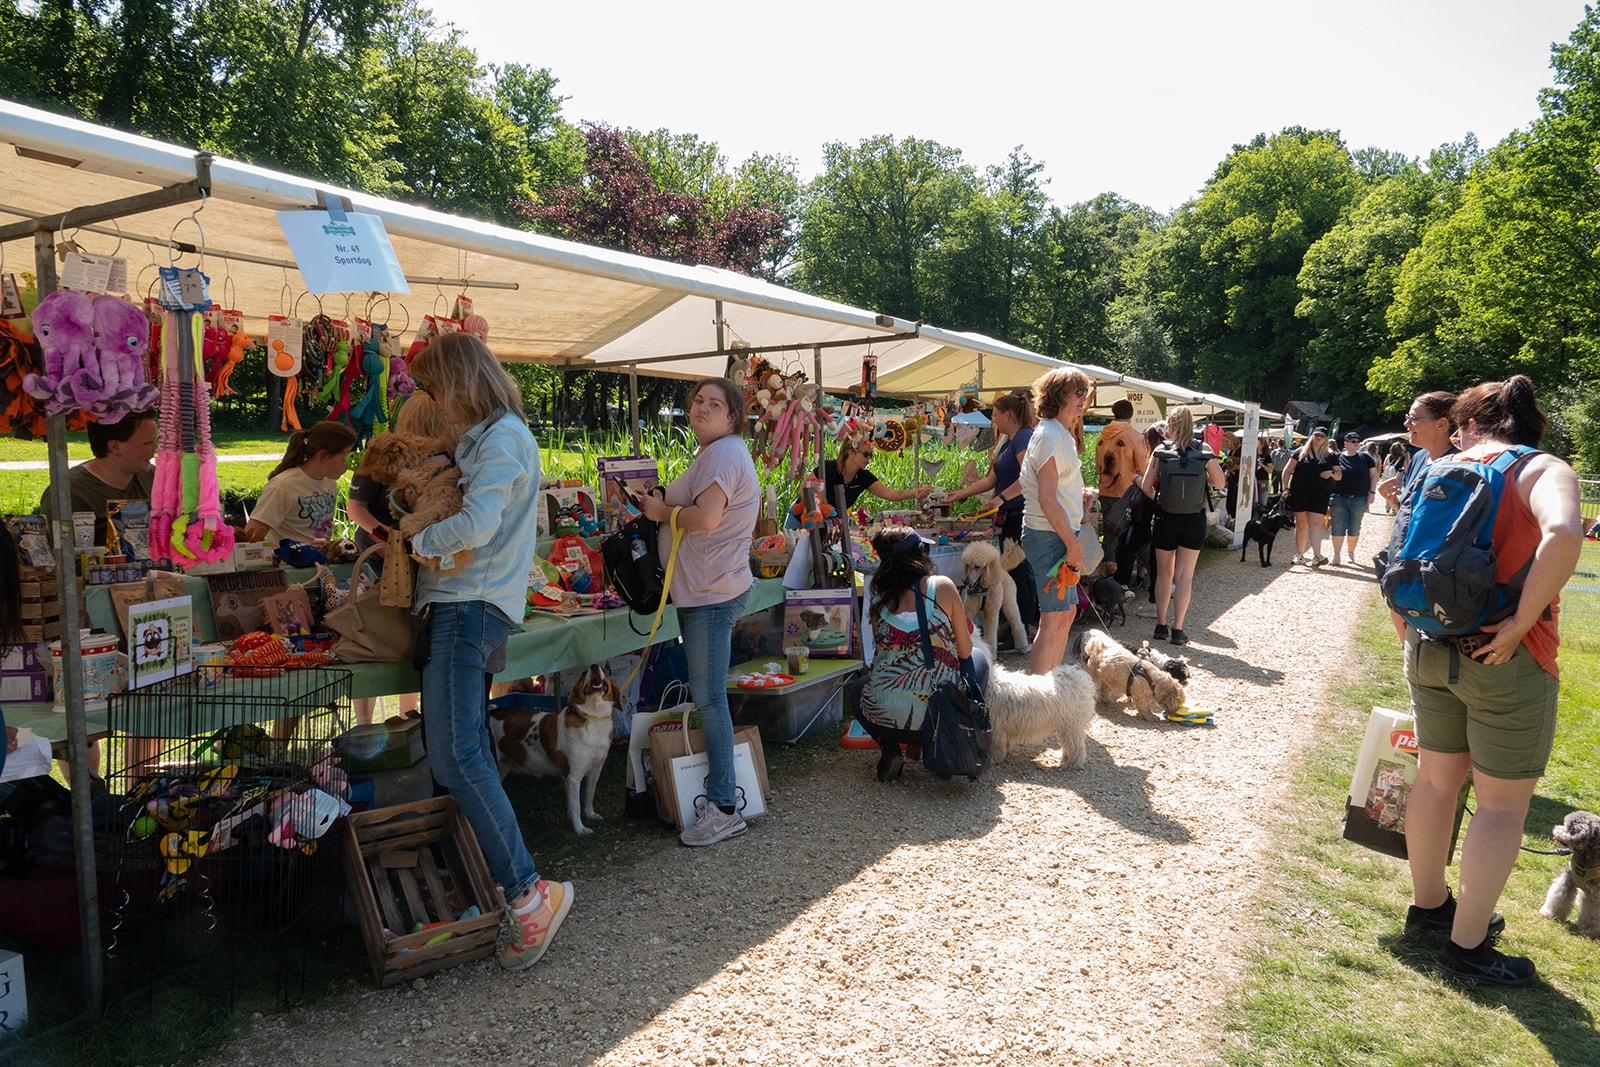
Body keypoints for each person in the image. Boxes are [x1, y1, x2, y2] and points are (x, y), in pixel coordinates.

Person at [1398, 375, 1582, 987]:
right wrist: (1520, 623)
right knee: (1503, 807)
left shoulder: (1441, 464)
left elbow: (1398, 552)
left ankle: (1429, 909)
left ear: (1470, 421)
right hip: (1506, 655)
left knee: (1434, 780)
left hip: (1430, 645)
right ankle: (1467, 946)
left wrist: (1410, 629)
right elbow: (1563, 533)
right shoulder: (1541, 469)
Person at [408, 333, 571, 971]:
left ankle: (528, 895)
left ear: (459, 382)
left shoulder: (501, 438)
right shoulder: (491, 437)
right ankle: (518, 889)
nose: (430, 400)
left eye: (433, 387)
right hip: (464, 607)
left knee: (458, 755)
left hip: (465, 606)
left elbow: (476, 525)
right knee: (464, 751)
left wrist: (417, 541)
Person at [640, 377, 760, 847]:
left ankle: (724, 807)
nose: (702, 409)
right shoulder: (716, 454)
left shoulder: (725, 454)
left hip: (712, 594)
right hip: (704, 592)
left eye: (715, 404)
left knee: (709, 700)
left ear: (733, 418)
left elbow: (706, 518)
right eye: (697, 401)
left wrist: (660, 514)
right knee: (709, 697)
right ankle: (723, 801)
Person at [344, 393, 459, 726]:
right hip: (381, 555)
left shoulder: (445, 458)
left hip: (420, 556)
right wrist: (386, 535)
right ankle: (364, 723)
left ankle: (409, 715)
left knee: (412, 638)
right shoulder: (387, 451)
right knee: (378, 633)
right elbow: (356, 507)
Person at [854, 524, 988, 781]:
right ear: (917, 555)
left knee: (858, 689)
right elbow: (964, 650)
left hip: (886, 716)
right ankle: (948, 740)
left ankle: (889, 746)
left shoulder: (877, 602)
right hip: (938, 715)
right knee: (978, 659)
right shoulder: (944, 587)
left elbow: (884, 652)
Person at [943, 392, 1038, 641]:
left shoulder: (1024, 438)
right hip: (1008, 514)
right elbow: (990, 480)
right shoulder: (1009, 441)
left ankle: (1025, 626)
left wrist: (1001, 499)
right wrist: (960, 494)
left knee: (1017, 571)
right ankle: (1021, 626)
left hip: (1019, 514)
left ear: (1007, 415)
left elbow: (1027, 477)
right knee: (1015, 570)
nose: (994, 420)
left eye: (995, 415)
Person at [1018, 367, 1093, 675]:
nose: (1084, 399)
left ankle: (1053, 689)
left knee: (1065, 614)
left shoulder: (1057, 433)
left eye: (1085, 392)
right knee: (1053, 620)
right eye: (1079, 392)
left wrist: (1079, 497)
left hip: (1055, 534)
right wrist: (1073, 544)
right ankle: (1039, 698)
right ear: (1059, 395)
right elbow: (1047, 499)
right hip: (1050, 536)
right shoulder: (1050, 435)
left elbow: (1054, 492)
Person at [1136, 405, 1224, 646]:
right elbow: (1220, 481)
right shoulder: (1204, 450)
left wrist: (1159, 499)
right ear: (1191, 424)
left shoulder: (1160, 450)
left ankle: (1160, 625)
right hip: (1193, 519)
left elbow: (1145, 485)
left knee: (1164, 574)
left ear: (1170, 425)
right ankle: (1178, 629)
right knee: (1184, 577)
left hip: (1165, 517)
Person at [38, 409, 157, 546]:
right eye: (148, 443)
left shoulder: (153, 478)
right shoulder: (68, 493)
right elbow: (60, 558)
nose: (156, 448)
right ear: (114, 446)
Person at [243, 421, 357, 546]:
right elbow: (249, 539)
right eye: (344, 459)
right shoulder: (283, 487)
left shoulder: (329, 480)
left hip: (317, 563)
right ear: (324, 455)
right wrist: (297, 551)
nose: (348, 465)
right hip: (287, 564)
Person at [784, 436, 930, 526]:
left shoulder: (863, 477)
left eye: (870, 455)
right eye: (866, 454)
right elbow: (804, 491)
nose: (868, 459)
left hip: (828, 525)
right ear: (851, 453)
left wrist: (914, 493)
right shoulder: (827, 468)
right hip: (800, 520)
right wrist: (823, 506)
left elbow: (890, 493)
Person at [1092, 398, 1152, 581]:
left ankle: (1107, 577)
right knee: (1133, 537)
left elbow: (1097, 466)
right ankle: (1142, 575)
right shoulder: (1135, 437)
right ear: (1131, 414)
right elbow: (1143, 469)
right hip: (1128, 495)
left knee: (1110, 536)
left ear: (1114, 413)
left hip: (1105, 491)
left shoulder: (1102, 436)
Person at [1281, 427, 1340, 567]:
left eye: (1322, 436)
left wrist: (1330, 472)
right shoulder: (1300, 452)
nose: (1319, 438)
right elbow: (1287, 470)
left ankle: (1317, 555)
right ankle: (1300, 555)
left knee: (1316, 524)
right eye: (1316, 435)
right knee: (1301, 524)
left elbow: (1339, 475)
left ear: (1326, 439)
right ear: (1312, 436)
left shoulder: (1330, 455)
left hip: (1320, 494)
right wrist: (1285, 488)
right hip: (1300, 493)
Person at [1329, 432, 1377, 566]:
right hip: (1338, 497)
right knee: (1337, 527)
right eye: (1353, 441)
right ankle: (1336, 555)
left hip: (1359, 498)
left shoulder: (1365, 458)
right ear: (1346, 444)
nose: (1356, 444)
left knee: (1354, 527)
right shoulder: (1337, 457)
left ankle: (1350, 553)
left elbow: (1373, 475)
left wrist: (1372, 492)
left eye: (1357, 441)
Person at [1378, 442, 1407, 513]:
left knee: (1389, 491)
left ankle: (1387, 508)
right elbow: (1406, 467)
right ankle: (1394, 508)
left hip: (1389, 476)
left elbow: (1385, 466)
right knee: (1396, 491)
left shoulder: (1388, 456)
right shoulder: (1403, 457)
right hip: (1399, 475)